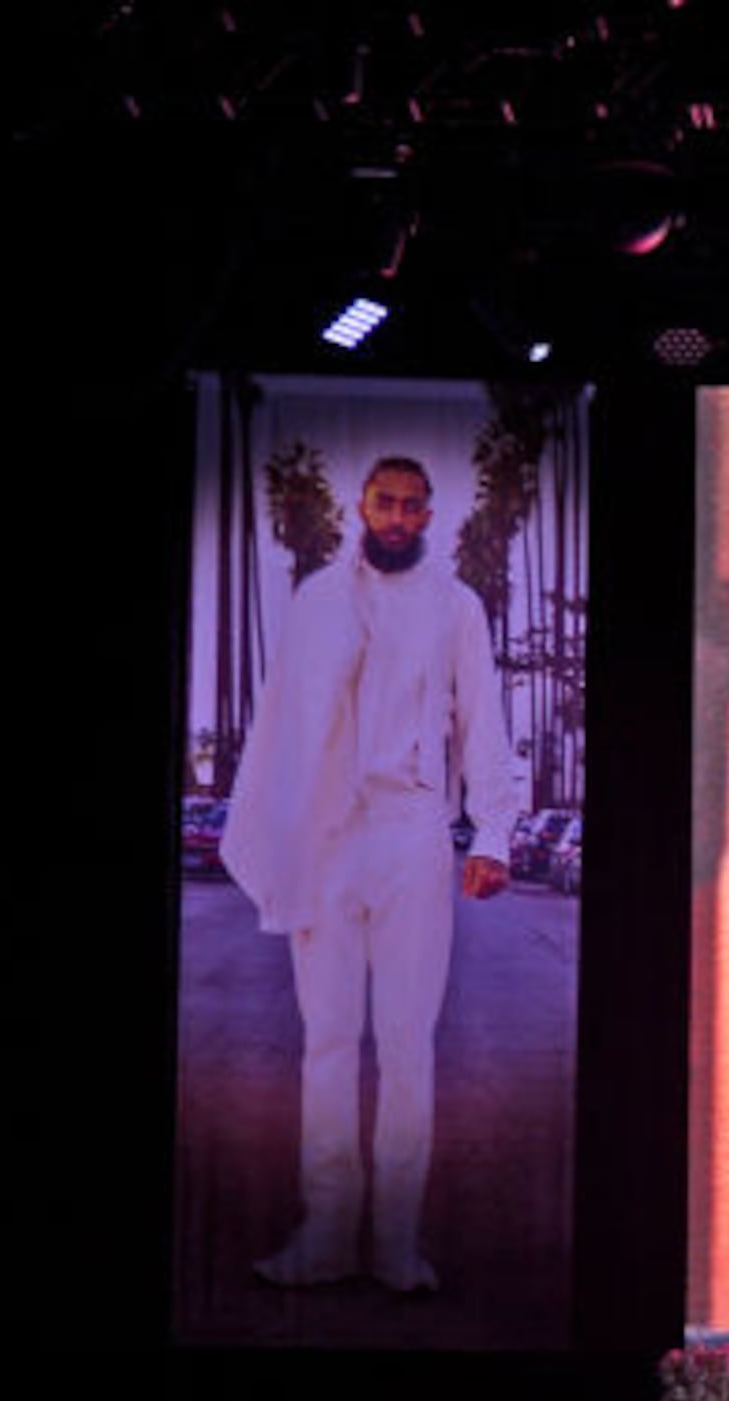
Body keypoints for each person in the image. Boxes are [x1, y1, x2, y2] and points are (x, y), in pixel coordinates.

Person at [222, 455, 523, 1294]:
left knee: (404, 1045)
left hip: (411, 834)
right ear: (363, 507)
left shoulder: (455, 609)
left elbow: (482, 722)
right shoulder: (316, 600)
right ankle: (324, 1235)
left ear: (428, 516)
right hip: (325, 836)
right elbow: (280, 718)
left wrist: (492, 830)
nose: (395, 518)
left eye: (411, 507)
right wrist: (268, 830)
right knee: (324, 1041)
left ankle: (394, 1243)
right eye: (383, 503)